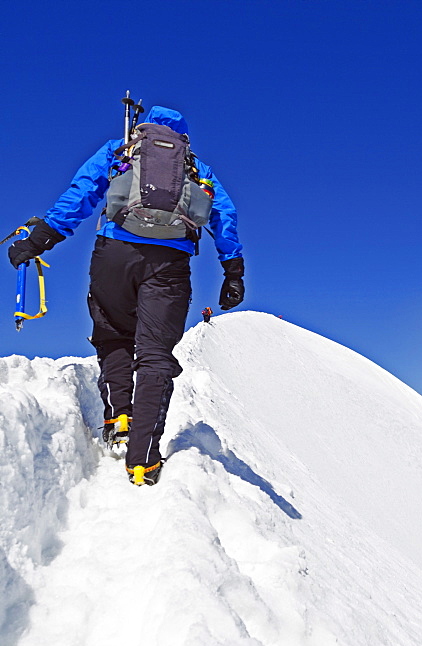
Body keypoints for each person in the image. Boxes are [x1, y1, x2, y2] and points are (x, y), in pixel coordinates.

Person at [7, 106, 244, 486]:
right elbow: (223, 216)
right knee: (154, 353)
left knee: (112, 331)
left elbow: (81, 194)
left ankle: (119, 414)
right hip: (170, 262)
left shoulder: (121, 150)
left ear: (143, 126)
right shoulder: (196, 167)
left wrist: (41, 239)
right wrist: (233, 270)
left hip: (114, 254)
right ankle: (144, 460)